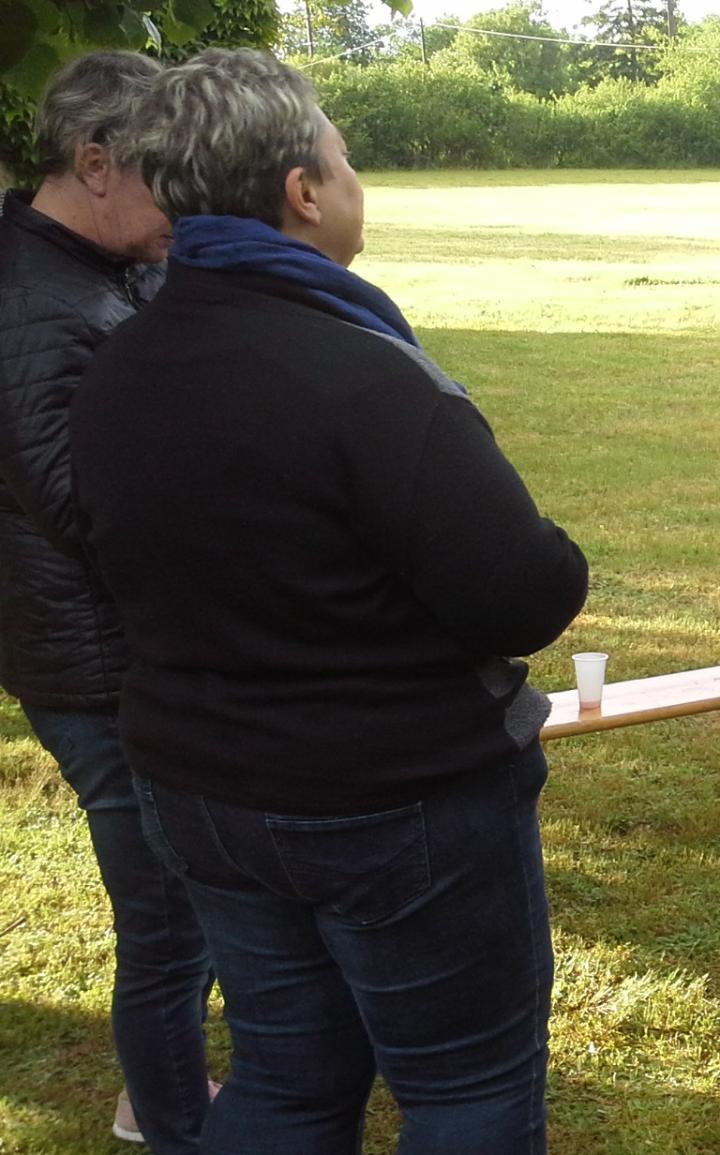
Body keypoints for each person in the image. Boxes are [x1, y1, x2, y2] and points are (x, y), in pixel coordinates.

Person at [68, 49, 588, 1152]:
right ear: (304, 191)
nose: (355, 184)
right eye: (345, 162)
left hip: (202, 788)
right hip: (390, 801)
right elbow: (523, 592)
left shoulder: (124, 360)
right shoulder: (365, 375)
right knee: (468, 1090)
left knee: (287, 1078)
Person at [0, 51, 215, 1150]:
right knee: (171, 918)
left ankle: (162, 1092)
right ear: (94, 165)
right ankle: (173, 1122)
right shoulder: (30, 299)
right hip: (95, 667)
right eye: (164, 176)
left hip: (126, 651)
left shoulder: (103, 269)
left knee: (185, 906)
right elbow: (85, 505)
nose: (182, 201)